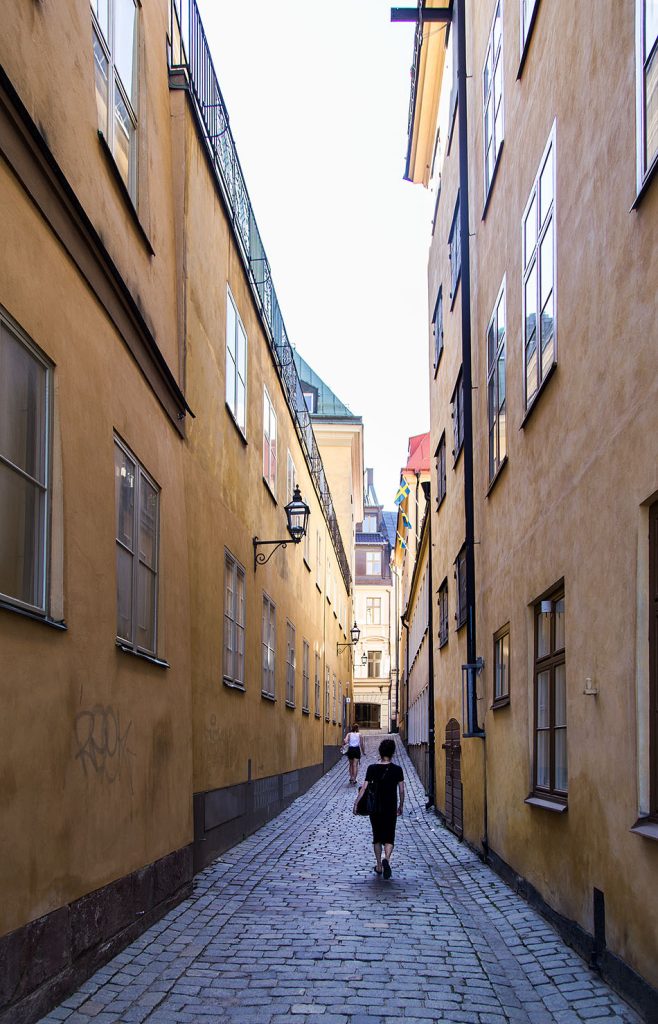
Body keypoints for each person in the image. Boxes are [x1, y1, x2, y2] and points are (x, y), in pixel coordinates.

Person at [353, 738, 404, 879]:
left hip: (375, 808)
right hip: (390, 807)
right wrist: (401, 806)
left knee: (377, 836)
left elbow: (364, 788)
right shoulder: (397, 770)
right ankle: (386, 859)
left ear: (380, 752)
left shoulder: (372, 768)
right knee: (389, 836)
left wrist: (356, 803)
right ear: (393, 753)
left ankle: (379, 866)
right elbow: (401, 790)